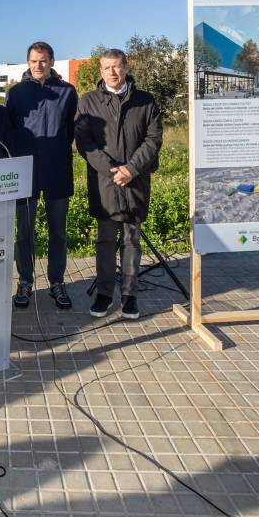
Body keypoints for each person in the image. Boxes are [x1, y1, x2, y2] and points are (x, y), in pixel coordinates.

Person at [74, 49, 162, 320]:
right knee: (105, 240)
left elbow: (153, 139)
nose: (112, 72)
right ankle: (104, 294)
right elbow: (84, 141)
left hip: (136, 182)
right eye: (106, 67)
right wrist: (112, 170)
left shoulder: (145, 101)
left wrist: (132, 169)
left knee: (132, 240)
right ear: (100, 71)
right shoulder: (88, 101)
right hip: (105, 183)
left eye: (117, 66)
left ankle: (129, 295)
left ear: (126, 67)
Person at [6, 41, 78, 309]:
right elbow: (10, 131)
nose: (39, 65)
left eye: (44, 60)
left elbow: (71, 130)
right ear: (28, 62)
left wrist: (56, 149)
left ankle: (57, 283)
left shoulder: (68, 92)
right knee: (24, 233)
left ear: (52, 62)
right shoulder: (15, 93)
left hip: (58, 169)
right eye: (34, 60)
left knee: (58, 233)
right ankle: (25, 282)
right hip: (26, 172)